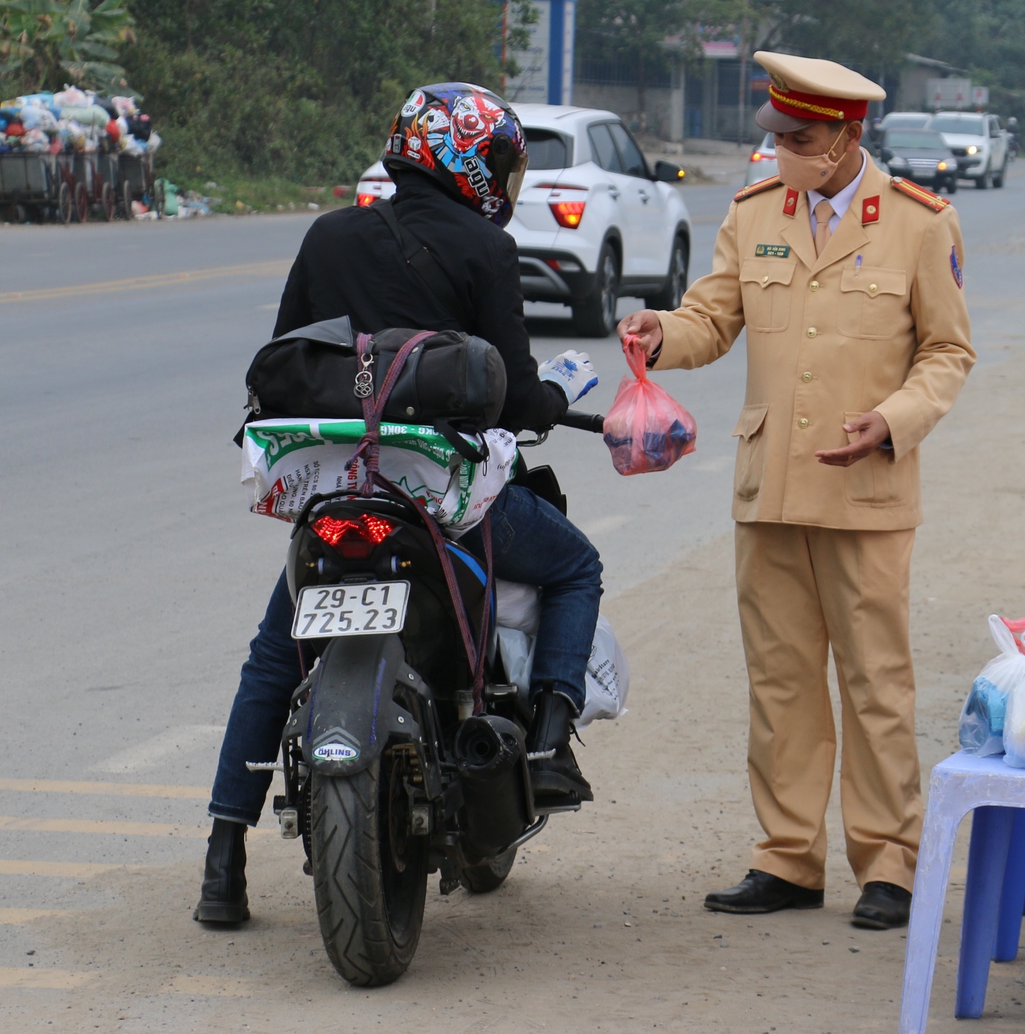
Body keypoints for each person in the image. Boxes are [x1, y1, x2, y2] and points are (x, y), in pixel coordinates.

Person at [194, 83, 606, 927]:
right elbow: (517, 400)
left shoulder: (330, 233)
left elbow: (284, 358)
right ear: (471, 164)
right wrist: (555, 400)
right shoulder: (484, 251)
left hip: (336, 492)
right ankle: (551, 745)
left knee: (278, 650)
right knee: (575, 563)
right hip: (441, 503)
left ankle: (221, 858)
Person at [619, 52, 975, 931]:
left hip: (866, 489)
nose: (782, 150)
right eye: (776, 135)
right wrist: (661, 332)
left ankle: (889, 862)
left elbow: (948, 351)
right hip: (770, 485)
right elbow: (714, 318)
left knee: (875, 681)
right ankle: (786, 856)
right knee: (779, 681)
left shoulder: (922, 223)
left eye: (801, 138)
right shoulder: (752, 216)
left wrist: (894, 418)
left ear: (846, 138)